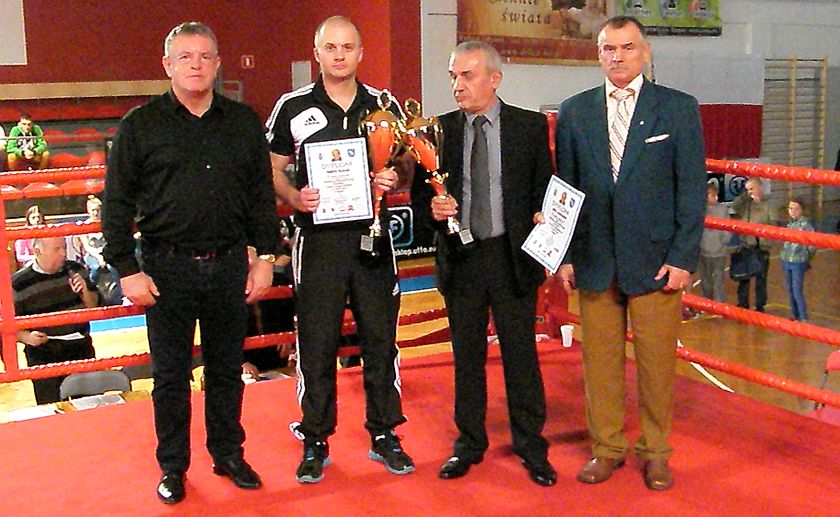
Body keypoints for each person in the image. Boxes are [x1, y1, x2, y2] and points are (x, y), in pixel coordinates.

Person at [102, 22, 278, 505]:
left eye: (204, 56)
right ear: (168, 65)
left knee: (226, 371)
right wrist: (126, 268)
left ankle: (228, 454)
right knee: (170, 377)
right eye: (185, 57)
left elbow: (261, 196)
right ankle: (173, 467)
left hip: (229, 265)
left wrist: (266, 257)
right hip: (165, 269)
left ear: (218, 64)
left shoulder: (243, 122)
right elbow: (115, 203)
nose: (195, 65)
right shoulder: (140, 125)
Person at [555, 16, 706, 491]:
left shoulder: (678, 108)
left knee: (657, 365)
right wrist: (565, 255)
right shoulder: (574, 111)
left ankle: (656, 452)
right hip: (595, 259)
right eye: (608, 48)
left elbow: (692, 188)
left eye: (626, 47)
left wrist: (683, 257)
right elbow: (565, 190)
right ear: (598, 54)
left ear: (645, 52)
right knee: (599, 365)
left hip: (657, 261)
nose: (617, 56)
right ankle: (606, 448)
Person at [265, 15, 412, 484]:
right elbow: (270, 167)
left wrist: (394, 177)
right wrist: (294, 197)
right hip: (317, 242)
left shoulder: (383, 104)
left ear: (360, 52)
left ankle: (385, 432)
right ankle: (315, 437)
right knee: (316, 341)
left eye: (348, 47)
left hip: (374, 238)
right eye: (330, 47)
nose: (339, 55)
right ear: (317, 53)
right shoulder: (292, 106)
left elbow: (408, 162)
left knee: (380, 340)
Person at [430, 40, 556, 487]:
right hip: (461, 257)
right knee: (466, 357)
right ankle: (468, 442)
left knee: (521, 354)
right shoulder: (439, 130)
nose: (457, 85)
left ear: (494, 78)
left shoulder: (528, 126)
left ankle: (531, 445)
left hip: (511, 256)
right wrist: (433, 209)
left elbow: (544, 187)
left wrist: (544, 218)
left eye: (467, 75)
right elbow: (426, 194)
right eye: (453, 76)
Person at [12, 237, 99, 404]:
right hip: (44, 351)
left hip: (80, 346)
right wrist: (26, 337)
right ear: (37, 252)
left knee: (88, 404)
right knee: (51, 406)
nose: (64, 253)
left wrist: (85, 291)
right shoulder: (18, 283)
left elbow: (94, 306)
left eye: (64, 248)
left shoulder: (76, 270)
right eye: (57, 249)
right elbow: (6, 322)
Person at [731, 177, 773, 312]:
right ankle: (742, 304)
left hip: (761, 247)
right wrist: (745, 196)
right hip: (746, 245)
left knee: (761, 279)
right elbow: (735, 206)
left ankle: (760, 306)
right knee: (743, 278)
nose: (750, 192)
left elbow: (774, 224)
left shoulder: (769, 204)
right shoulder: (745, 203)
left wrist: (759, 204)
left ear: (760, 188)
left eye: (752, 188)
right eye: (747, 189)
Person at [80, 195, 123, 305]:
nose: (95, 213)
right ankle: (93, 291)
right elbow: (87, 247)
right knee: (95, 268)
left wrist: (105, 256)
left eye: (97, 210)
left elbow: (110, 242)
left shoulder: (107, 224)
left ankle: (118, 296)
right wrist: (98, 257)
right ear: (88, 211)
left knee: (114, 268)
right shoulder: (83, 226)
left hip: (107, 252)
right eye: (93, 210)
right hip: (92, 254)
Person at [780, 198, 816, 321]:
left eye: (796, 209)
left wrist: (806, 258)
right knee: (790, 290)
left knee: (797, 290)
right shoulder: (790, 224)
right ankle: (795, 316)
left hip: (798, 262)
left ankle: (803, 317)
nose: (793, 211)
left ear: (802, 210)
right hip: (786, 260)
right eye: (791, 208)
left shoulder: (806, 226)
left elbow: (812, 245)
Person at [698, 182, 731, 303]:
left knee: (718, 281)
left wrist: (722, 243)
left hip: (719, 252)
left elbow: (728, 229)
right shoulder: (700, 210)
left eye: (716, 195)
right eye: (712, 195)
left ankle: (720, 306)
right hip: (703, 252)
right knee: (705, 281)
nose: (715, 198)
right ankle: (707, 304)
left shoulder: (723, 209)